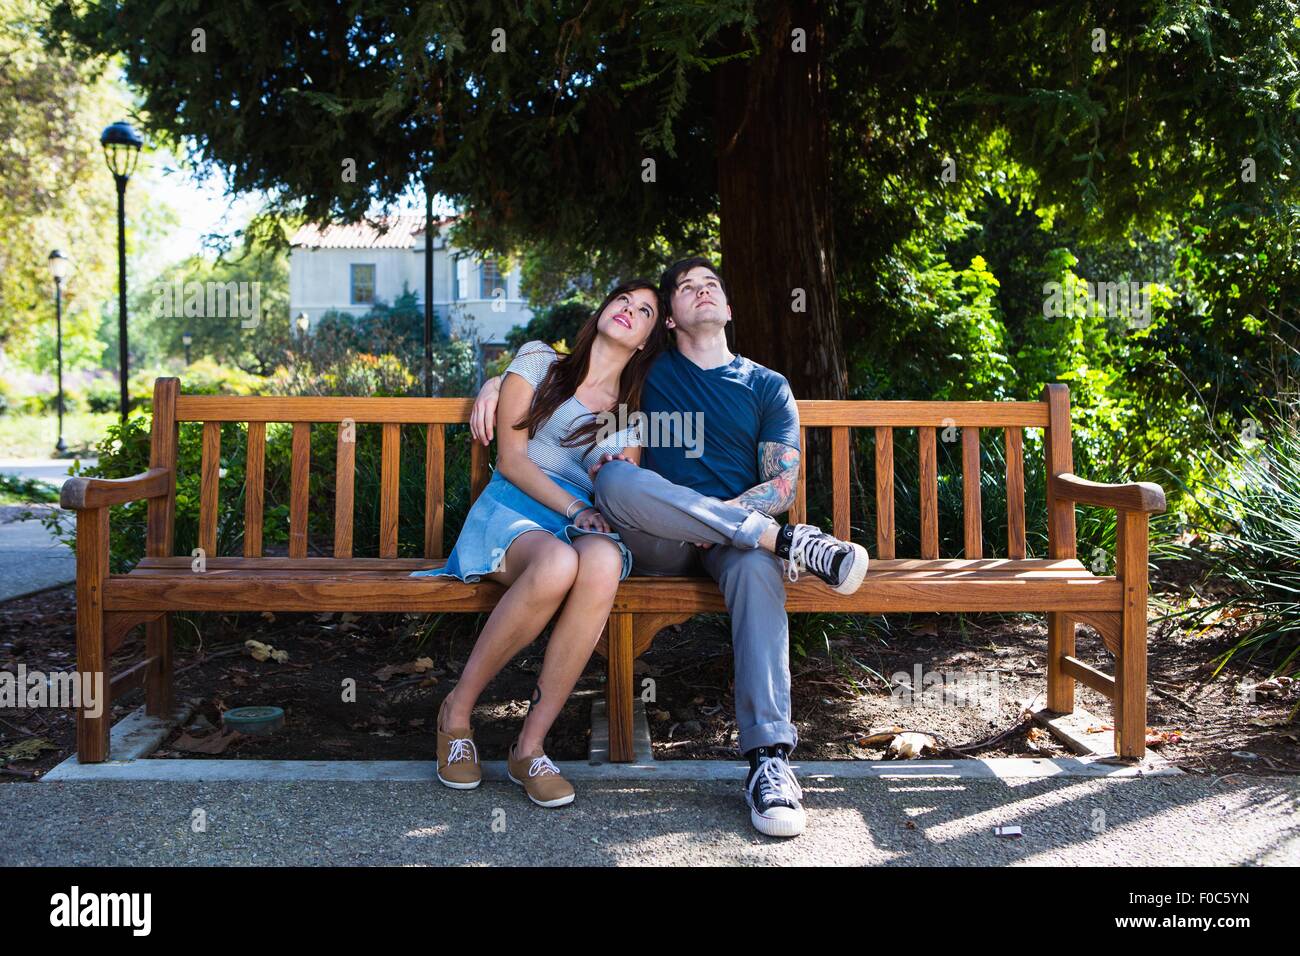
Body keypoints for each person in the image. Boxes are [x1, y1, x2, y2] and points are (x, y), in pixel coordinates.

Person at [469, 256, 869, 837]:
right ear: (672, 321)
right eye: (684, 288)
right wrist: (492, 383)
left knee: (756, 571)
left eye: (711, 285)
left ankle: (769, 763)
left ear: (728, 309)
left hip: (736, 538)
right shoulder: (648, 373)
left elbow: (781, 485)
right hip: (655, 535)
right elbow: (568, 370)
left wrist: (730, 526)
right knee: (614, 480)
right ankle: (789, 546)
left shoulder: (768, 387)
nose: (700, 292)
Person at [414, 279, 667, 808]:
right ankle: (457, 712)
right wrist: (494, 383)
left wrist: (595, 499)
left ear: (645, 339)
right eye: (623, 298)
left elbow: (617, 485)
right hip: (515, 506)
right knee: (555, 565)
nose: (629, 309)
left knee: (598, 565)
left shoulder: (629, 414)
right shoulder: (538, 362)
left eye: (644, 310)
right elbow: (510, 459)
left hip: (584, 519)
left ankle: (529, 747)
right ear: (604, 307)